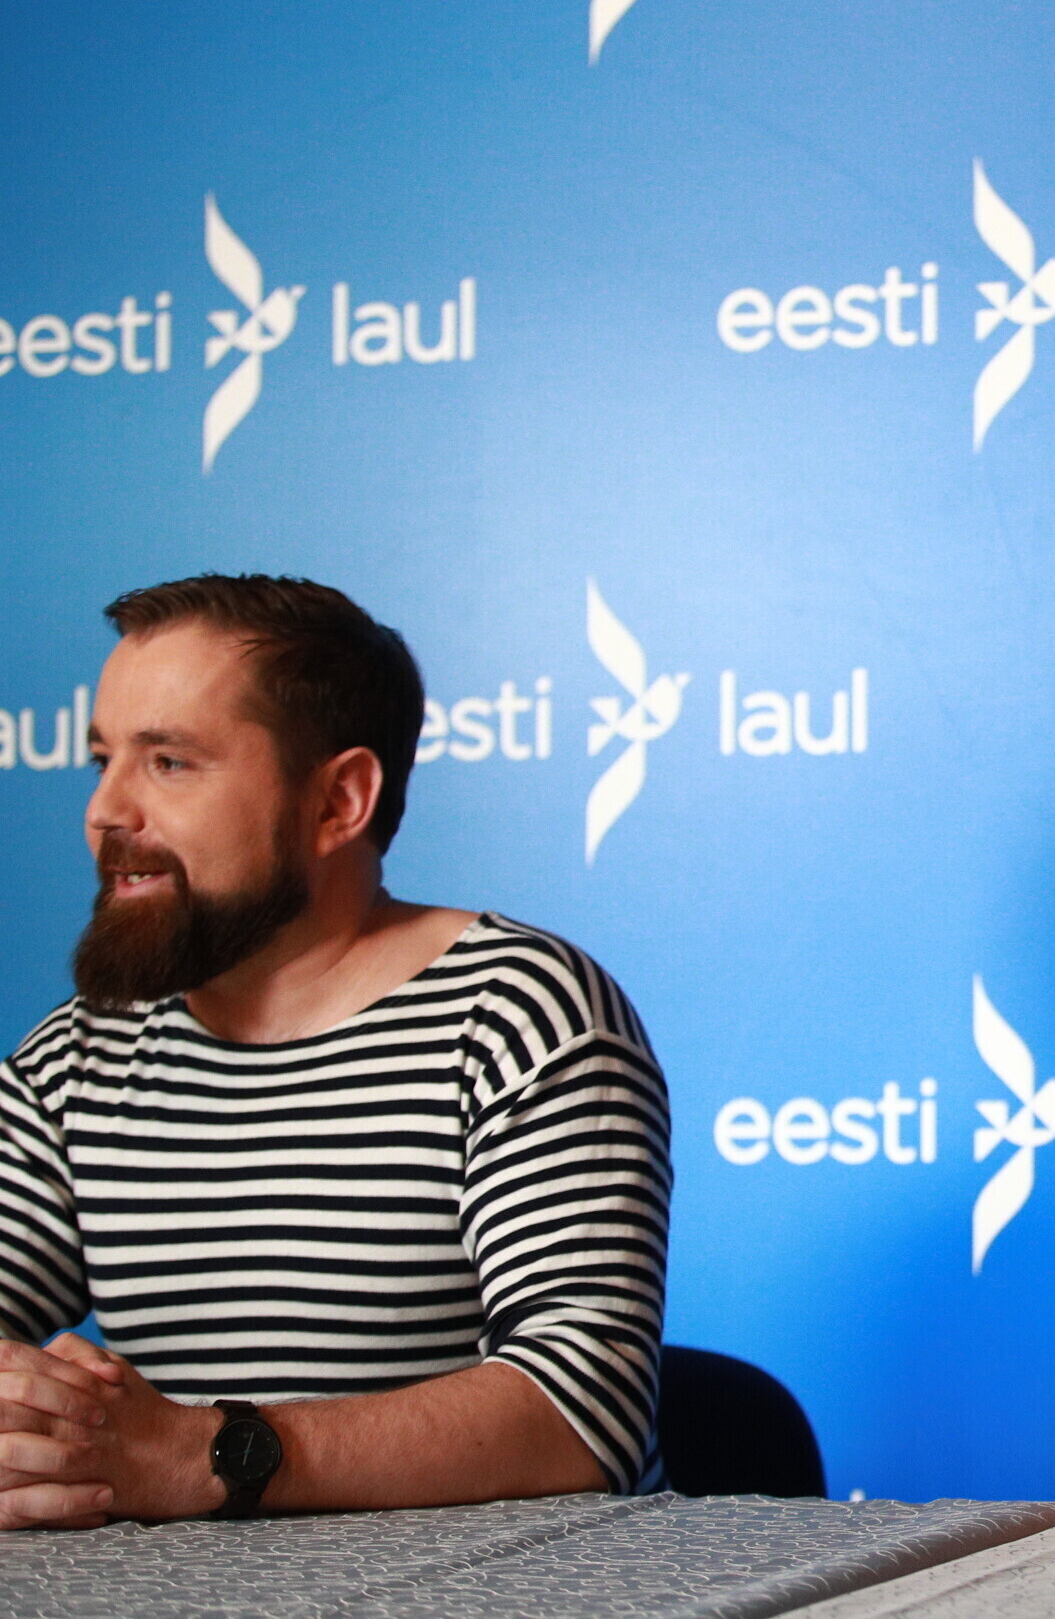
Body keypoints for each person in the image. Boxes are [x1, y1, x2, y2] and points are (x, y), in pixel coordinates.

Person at [0, 576, 669, 1527]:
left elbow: (583, 1415)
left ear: (339, 800)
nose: (106, 811)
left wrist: (202, 1454)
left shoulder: (519, 1014)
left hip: (498, 1596)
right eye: (104, 760)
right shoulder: (78, 1057)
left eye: (170, 763)